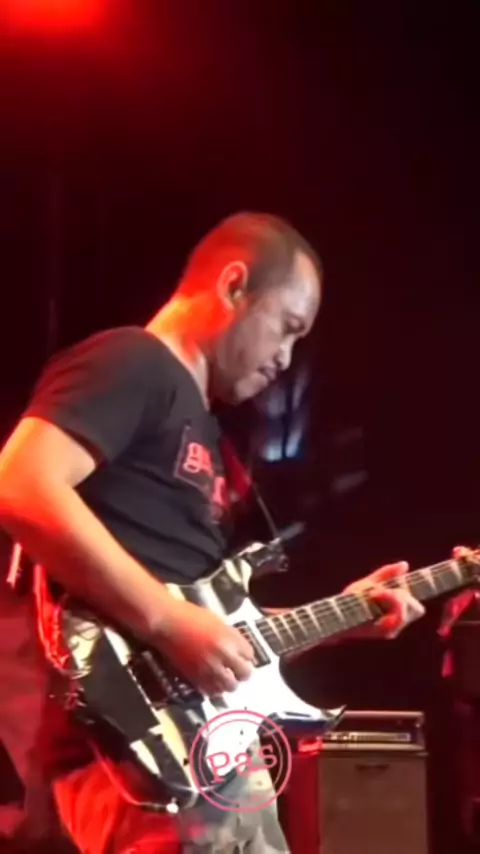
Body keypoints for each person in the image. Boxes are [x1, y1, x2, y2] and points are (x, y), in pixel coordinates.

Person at [0, 212, 425, 853]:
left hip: (208, 746)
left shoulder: (200, 424)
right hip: (143, 753)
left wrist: (345, 616)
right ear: (233, 286)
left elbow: (210, 625)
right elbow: (21, 483)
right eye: (288, 327)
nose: (286, 358)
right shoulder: (133, 361)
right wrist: (168, 622)